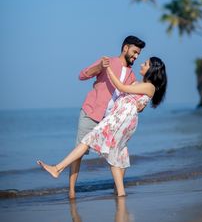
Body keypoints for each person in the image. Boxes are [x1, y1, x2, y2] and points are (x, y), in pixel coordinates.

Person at [37, 56, 167, 197]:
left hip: (119, 120)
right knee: (116, 154)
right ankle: (121, 193)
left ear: (152, 69)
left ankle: (57, 168)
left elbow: (122, 87)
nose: (141, 64)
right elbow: (131, 96)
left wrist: (108, 69)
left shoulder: (150, 86)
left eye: (146, 63)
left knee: (89, 141)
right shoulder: (139, 83)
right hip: (121, 119)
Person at [69, 35, 145, 199]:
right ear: (125, 48)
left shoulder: (131, 76)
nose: (136, 56)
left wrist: (141, 106)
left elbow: (134, 98)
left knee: (120, 154)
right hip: (91, 113)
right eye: (134, 52)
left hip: (110, 121)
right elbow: (82, 75)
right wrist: (98, 68)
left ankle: (117, 189)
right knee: (79, 152)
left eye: (138, 54)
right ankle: (72, 192)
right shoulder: (107, 61)